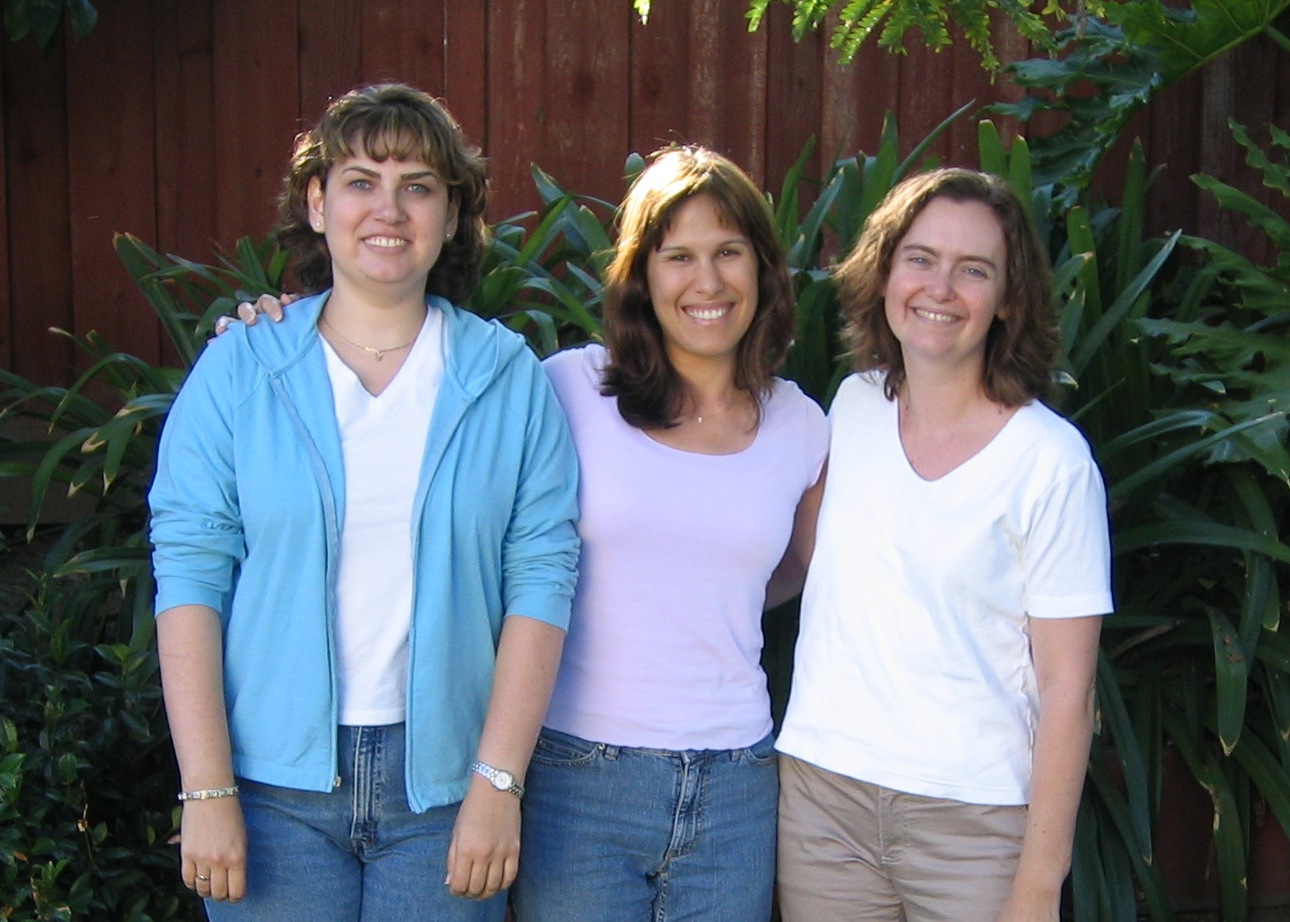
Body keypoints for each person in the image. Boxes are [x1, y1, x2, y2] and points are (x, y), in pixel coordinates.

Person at [149, 83, 579, 921]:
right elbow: (192, 577)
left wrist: (497, 783)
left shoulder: (508, 378)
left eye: (418, 186)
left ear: (450, 217)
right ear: (317, 205)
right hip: (269, 789)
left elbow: (541, 579)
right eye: (360, 182)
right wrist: (206, 788)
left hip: (445, 790)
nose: (390, 209)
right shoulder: (242, 371)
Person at [775, 168, 1112, 922]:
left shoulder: (1051, 462)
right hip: (824, 802)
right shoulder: (853, 406)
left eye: (974, 270)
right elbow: (800, 564)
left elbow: (1068, 688)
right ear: (885, 273)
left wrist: (1038, 887)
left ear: (1008, 299)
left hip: (974, 823)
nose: (940, 288)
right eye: (920, 259)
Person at [510, 146, 827, 922]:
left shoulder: (802, 426)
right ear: (641, 277)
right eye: (678, 256)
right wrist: (287, 324)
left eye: (729, 252)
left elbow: (797, 567)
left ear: (763, 269)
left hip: (736, 783)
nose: (707, 281)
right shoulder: (568, 390)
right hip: (579, 776)